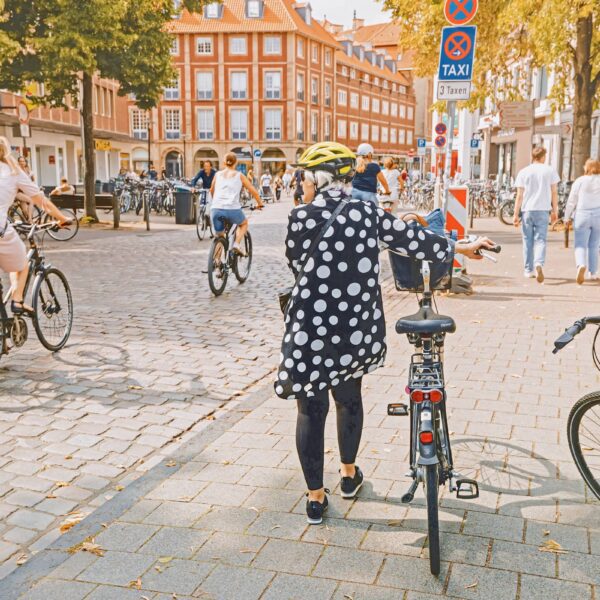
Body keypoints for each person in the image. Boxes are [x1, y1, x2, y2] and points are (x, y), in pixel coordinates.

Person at [275, 141, 495, 525]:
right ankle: (347, 475)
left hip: (310, 328)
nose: (301, 183)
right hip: (353, 328)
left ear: (316, 177)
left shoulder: (299, 218)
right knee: (348, 398)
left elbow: (296, 264)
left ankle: (314, 498)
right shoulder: (367, 213)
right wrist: (462, 247)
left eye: (304, 176)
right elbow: (415, 242)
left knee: (310, 410)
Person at [0, 137, 71, 315]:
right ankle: (17, 301)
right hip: (1, 232)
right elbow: (40, 200)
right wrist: (61, 217)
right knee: (22, 264)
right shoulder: (13, 171)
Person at [513, 146, 559, 282]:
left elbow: (519, 195)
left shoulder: (524, 171)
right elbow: (554, 192)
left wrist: (515, 214)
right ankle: (539, 263)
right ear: (543, 156)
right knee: (540, 240)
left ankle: (528, 270)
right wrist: (555, 210)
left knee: (527, 240)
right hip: (543, 210)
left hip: (527, 210)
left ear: (533, 156)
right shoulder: (549, 170)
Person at [209, 152, 264, 255]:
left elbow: (211, 190)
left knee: (219, 237)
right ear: (236, 163)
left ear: (224, 162)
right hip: (232, 209)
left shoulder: (217, 175)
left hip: (216, 209)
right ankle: (236, 244)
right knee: (243, 224)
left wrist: (216, 202)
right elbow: (253, 190)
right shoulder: (239, 176)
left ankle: (216, 266)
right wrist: (260, 203)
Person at [564, 158, 600, 283]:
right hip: (598, 215)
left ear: (587, 167)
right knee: (594, 244)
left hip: (582, 214)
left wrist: (566, 217)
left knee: (580, 244)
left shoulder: (580, 181)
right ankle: (593, 273)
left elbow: (572, 200)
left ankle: (581, 265)